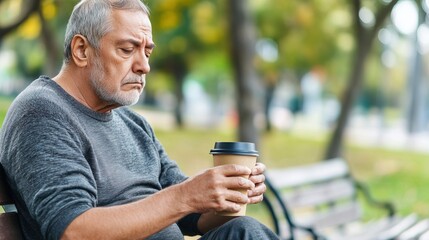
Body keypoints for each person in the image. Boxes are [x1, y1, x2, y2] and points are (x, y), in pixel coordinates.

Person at [0, 0, 279, 239]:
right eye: (127, 49)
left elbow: (191, 217)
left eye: (147, 51)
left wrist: (226, 197)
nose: (144, 66)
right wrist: (185, 196)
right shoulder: (42, 113)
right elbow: (73, 231)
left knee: (243, 229)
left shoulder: (134, 124)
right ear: (82, 50)